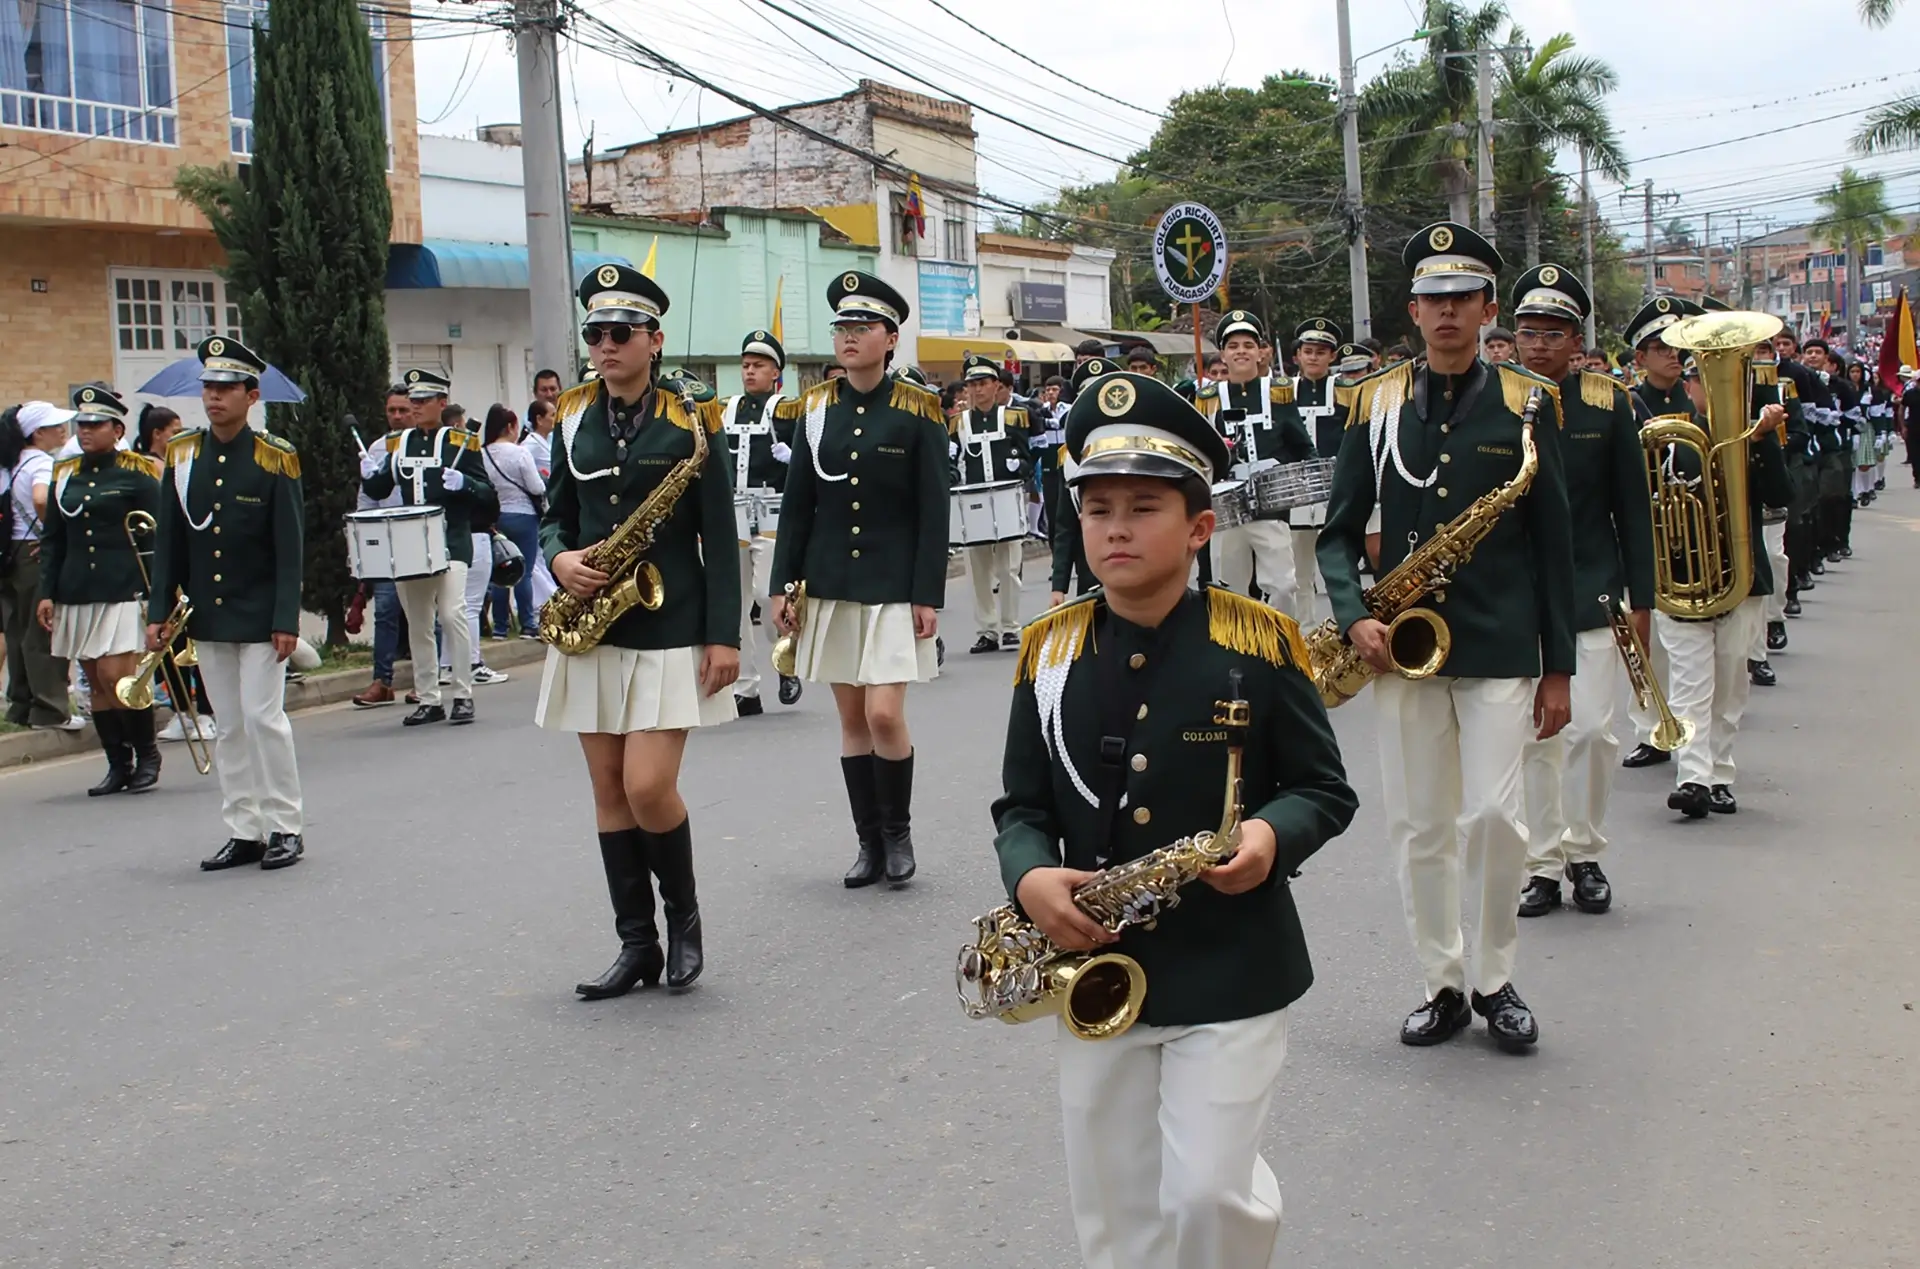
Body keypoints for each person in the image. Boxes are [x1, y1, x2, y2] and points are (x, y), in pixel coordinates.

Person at [991, 369, 1357, 1269]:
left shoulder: (1258, 641)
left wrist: (1271, 835)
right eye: (1098, 506)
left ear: (1199, 527)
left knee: (1209, 1193)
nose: (1116, 527)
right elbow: (1021, 805)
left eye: (1144, 506)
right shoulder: (1049, 653)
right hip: (1096, 964)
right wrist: (1029, 872)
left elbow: (1323, 787)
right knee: (1114, 1209)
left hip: (1232, 966)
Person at [1317, 221, 1576, 1051]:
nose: (1447, 313)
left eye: (1463, 297)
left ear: (1489, 308)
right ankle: (1442, 980)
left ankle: (1496, 976)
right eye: (1433, 299)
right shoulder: (1376, 404)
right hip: (1401, 649)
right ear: (1413, 311)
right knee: (1420, 826)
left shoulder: (1530, 403)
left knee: (1496, 818)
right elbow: (1337, 531)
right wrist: (1353, 608)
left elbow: (1554, 546)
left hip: (1500, 643)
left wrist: (1559, 668)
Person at [537, 264, 740, 999]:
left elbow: (720, 536)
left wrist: (725, 635)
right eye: (594, 332)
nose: (604, 345)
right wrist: (559, 556)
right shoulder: (571, 417)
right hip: (594, 628)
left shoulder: (692, 419)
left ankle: (684, 922)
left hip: (669, 627)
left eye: (620, 332)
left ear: (654, 339)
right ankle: (637, 944)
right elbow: (554, 511)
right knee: (608, 790)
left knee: (649, 785)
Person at [770, 271, 948, 889]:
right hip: (831, 583)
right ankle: (869, 845)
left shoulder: (919, 410)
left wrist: (929, 594)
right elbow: (797, 505)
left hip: (894, 587)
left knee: (884, 715)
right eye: (842, 327)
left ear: (890, 338)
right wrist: (782, 585)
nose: (849, 337)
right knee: (851, 721)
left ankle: (898, 836)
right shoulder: (814, 409)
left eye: (861, 327)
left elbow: (934, 510)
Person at [1508, 266, 1656, 919]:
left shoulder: (1608, 402)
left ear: (1576, 340)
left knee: (1594, 732)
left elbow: (1633, 509)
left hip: (1597, 594)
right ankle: (1541, 863)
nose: (1538, 344)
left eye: (1553, 333)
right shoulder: (1498, 400)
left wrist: (1643, 601)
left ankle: (1585, 852)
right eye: (1527, 331)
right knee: (1538, 738)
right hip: (1520, 596)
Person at [149, 336, 306, 871]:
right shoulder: (184, 454)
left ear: (251, 395)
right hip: (209, 613)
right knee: (230, 725)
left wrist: (287, 617)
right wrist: (157, 614)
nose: (214, 397)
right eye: (208, 388)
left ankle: (286, 825)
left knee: (265, 719)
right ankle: (245, 828)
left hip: (261, 613)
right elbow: (170, 539)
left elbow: (290, 548)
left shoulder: (274, 458)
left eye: (226, 388)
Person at [1649, 354, 1794, 820]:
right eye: (1701, 381)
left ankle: (1720, 773)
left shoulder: (1754, 440)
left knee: (1730, 686)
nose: (1710, 391)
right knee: (1691, 687)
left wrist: (1765, 441)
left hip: (1743, 580)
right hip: (1686, 581)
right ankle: (1693, 778)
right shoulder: (1673, 442)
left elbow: (1780, 496)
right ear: (1689, 388)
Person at [36, 386, 164, 794]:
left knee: (117, 675)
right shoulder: (65, 474)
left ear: (117, 428)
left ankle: (147, 753)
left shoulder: (137, 473)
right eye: (82, 424)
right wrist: (46, 591)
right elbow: (54, 538)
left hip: (123, 587)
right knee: (94, 679)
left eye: (96, 424)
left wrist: (161, 589)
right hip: (77, 589)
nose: (86, 430)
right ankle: (117, 764)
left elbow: (160, 535)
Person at [362, 368, 497, 726]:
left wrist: (464, 482)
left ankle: (463, 693)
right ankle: (429, 697)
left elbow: (488, 497)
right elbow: (378, 489)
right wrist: (368, 473)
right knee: (418, 623)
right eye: (413, 400)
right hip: (410, 545)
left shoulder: (461, 444)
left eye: (423, 401)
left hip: (451, 543)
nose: (416, 406)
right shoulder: (399, 443)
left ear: (442, 403)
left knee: (452, 615)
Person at [1619, 295, 1704, 769]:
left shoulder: (1698, 397)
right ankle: (1651, 729)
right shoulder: (1628, 404)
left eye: (1677, 346)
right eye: (1660, 346)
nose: (1673, 355)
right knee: (1644, 639)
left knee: (1687, 644)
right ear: (1640, 358)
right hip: (1647, 529)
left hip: (1691, 535)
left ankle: (1693, 727)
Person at [1195, 310, 1313, 614]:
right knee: (1229, 592)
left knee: (1283, 586)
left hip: (1270, 506)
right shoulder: (1209, 398)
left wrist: (1284, 473)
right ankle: (1238, 655)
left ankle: (1279, 648)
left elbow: (1302, 447)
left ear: (1260, 352)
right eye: (1233, 346)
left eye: (1248, 345)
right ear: (1222, 354)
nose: (1241, 352)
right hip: (1226, 507)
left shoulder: (1278, 393)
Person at [720, 327, 801, 713]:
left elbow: (809, 464)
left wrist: (793, 458)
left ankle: (786, 660)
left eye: (760, 365)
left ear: (776, 372)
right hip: (734, 511)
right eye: (746, 365)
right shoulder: (725, 407)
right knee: (736, 602)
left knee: (768, 596)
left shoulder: (788, 410)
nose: (750, 372)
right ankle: (746, 688)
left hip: (771, 512)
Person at [3, 401, 82, 730]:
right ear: (37, 434)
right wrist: (53, 534)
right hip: (34, 554)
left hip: (10, 554)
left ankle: (21, 705)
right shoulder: (41, 463)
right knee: (44, 632)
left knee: (17, 632)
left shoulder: (10, 462)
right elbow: (40, 498)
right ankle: (51, 710)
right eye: (55, 426)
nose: (62, 430)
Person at [954, 353, 1032, 653]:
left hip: (1006, 501)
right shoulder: (959, 424)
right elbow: (953, 460)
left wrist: (1019, 471)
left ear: (996, 385)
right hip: (973, 504)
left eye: (983, 383)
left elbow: (1026, 458)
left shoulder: (1013, 418)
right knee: (978, 570)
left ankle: (1011, 626)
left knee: (1009, 568)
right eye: (971, 384)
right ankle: (987, 629)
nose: (977, 390)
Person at [1282, 317, 1349, 627]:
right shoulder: (1282, 392)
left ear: (1332, 356)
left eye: (1321, 352)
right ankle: (1304, 633)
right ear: (1298, 355)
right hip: (1296, 493)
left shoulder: (1345, 390)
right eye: (1308, 351)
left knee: (1338, 566)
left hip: (1335, 490)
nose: (1313, 357)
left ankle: (1344, 629)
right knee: (1297, 570)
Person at [350, 386, 414, 709]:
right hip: (388, 539)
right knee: (386, 611)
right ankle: (382, 681)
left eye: (404, 410)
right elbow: (367, 496)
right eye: (393, 411)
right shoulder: (374, 448)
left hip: (420, 537)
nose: (398, 416)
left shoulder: (428, 443)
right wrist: (363, 534)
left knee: (426, 614)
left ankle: (428, 679)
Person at [1047, 356, 1120, 606]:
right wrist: (1059, 586)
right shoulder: (1068, 458)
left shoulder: (1139, 449)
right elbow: (1065, 525)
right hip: (1091, 572)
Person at [483, 404, 546, 641]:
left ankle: (500, 627)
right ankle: (528, 624)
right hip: (524, 516)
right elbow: (536, 487)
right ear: (510, 426)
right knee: (524, 572)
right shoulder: (520, 453)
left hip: (497, 518)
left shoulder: (483, 453)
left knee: (500, 572)